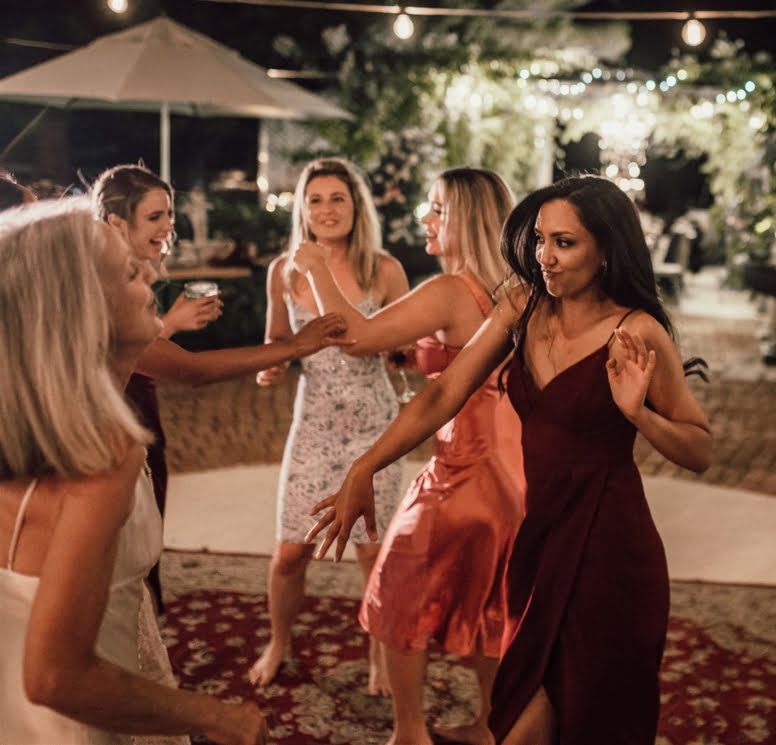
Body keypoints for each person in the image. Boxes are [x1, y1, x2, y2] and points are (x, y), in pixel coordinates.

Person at [306, 175, 712, 745]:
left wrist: (638, 414)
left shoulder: (636, 331)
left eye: (564, 243)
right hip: (538, 539)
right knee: (524, 709)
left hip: (608, 549)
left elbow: (700, 449)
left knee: (584, 718)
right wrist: (363, 467)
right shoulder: (522, 306)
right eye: (541, 239)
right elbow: (443, 396)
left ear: (605, 249)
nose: (545, 256)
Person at [0, 197, 267, 745]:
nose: (150, 274)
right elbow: (55, 676)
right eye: (128, 272)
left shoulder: (36, 421)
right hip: (69, 723)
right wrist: (217, 717)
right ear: (81, 310)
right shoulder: (102, 449)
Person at [293, 166, 524, 744]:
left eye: (437, 208)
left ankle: (408, 733)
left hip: (464, 468)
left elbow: (354, 337)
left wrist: (316, 266)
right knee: (490, 601)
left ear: (467, 220)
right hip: (516, 468)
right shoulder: (517, 288)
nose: (425, 217)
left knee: (397, 592)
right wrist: (416, 357)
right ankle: (491, 725)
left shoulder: (449, 291)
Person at [91, 164, 350, 612]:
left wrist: (167, 325)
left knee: (141, 549)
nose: (169, 226)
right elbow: (192, 371)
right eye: (155, 216)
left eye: (169, 214)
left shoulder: (122, 281)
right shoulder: (102, 289)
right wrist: (296, 346)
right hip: (110, 431)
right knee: (117, 560)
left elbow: (136, 352)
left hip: (138, 420)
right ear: (116, 222)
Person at [247, 157, 409, 687]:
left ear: (356, 206)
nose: (326, 209)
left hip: (375, 425)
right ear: (302, 209)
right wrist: (272, 364)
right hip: (314, 425)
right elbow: (278, 340)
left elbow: (403, 346)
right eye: (314, 199)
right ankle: (279, 642)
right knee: (289, 553)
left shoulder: (384, 270)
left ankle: (379, 653)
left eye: (337, 198)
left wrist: (399, 351)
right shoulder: (283, 271)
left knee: (373, 552)